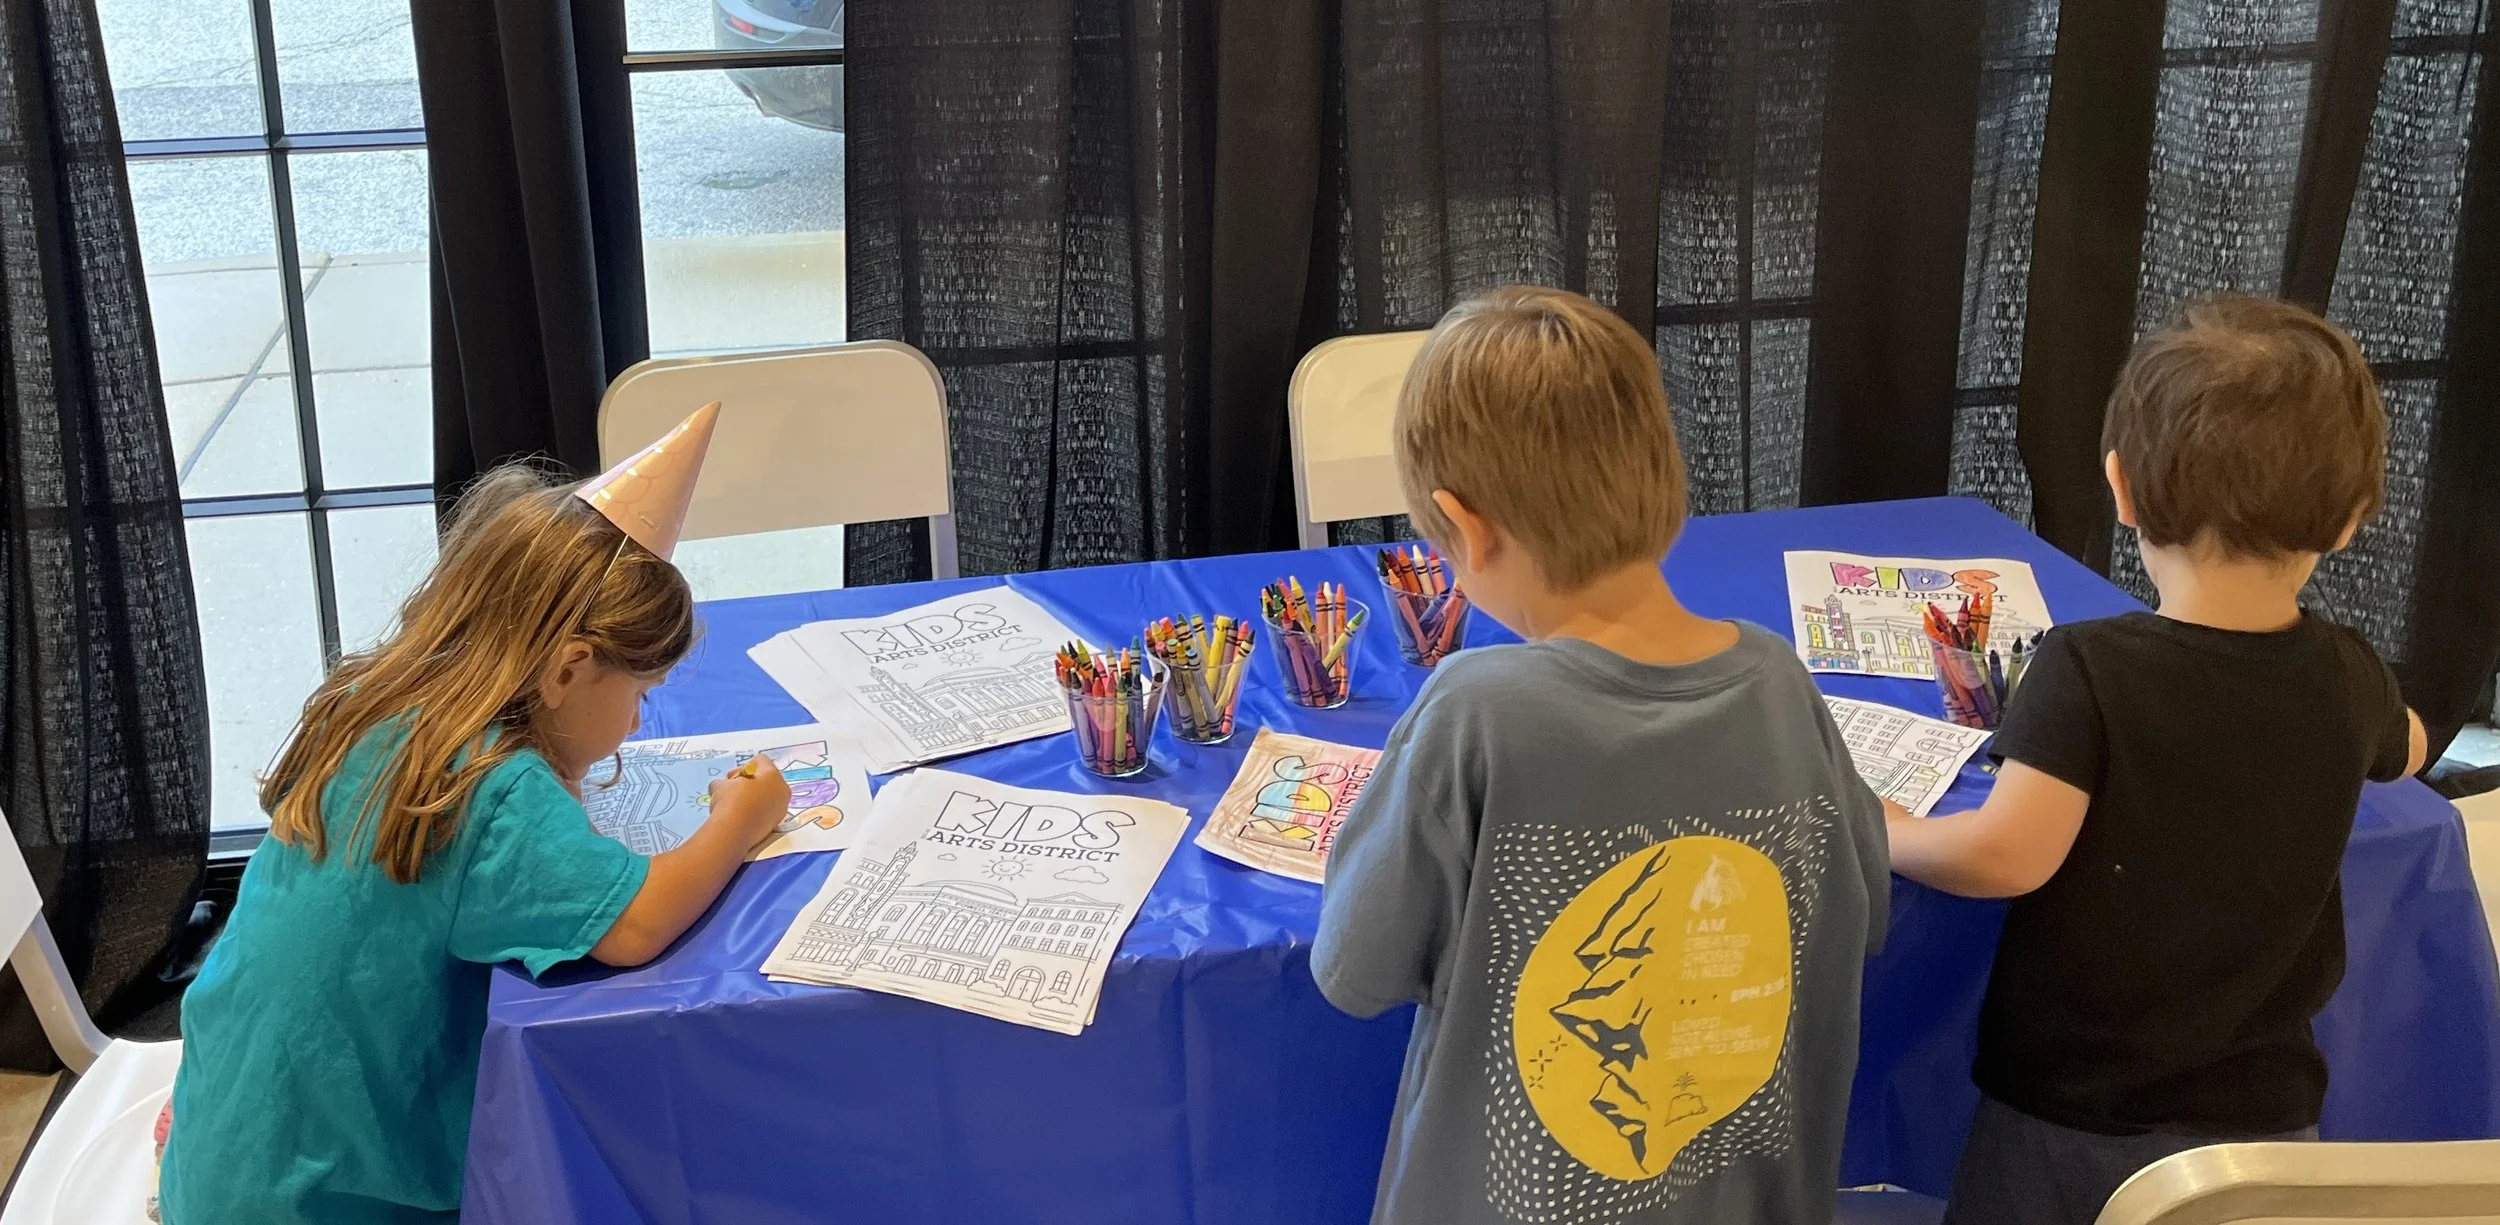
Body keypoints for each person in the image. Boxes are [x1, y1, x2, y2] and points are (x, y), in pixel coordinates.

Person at [1313, 286, 1891, 1225]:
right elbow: (1861, 911)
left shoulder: (1473, 710)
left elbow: (1355, 970)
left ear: (1467, 528)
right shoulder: (1782, 681)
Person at [159, 406, 794, 1225]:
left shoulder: (365, 698)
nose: (637, 723)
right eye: (639, 694)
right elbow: (638, 923)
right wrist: (741, 817)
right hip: (328, 1201)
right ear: (569, 670)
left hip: (227, 1149)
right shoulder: (494, 789)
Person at [1886, 296, 2429, 1225]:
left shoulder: (2090, 667)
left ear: (2121, 485)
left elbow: (2005, 856)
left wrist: (1888, 827)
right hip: (2261, 1130)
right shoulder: (2348, 672)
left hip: (2071, 1119)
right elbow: (2408, 751)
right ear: (2352, 519)